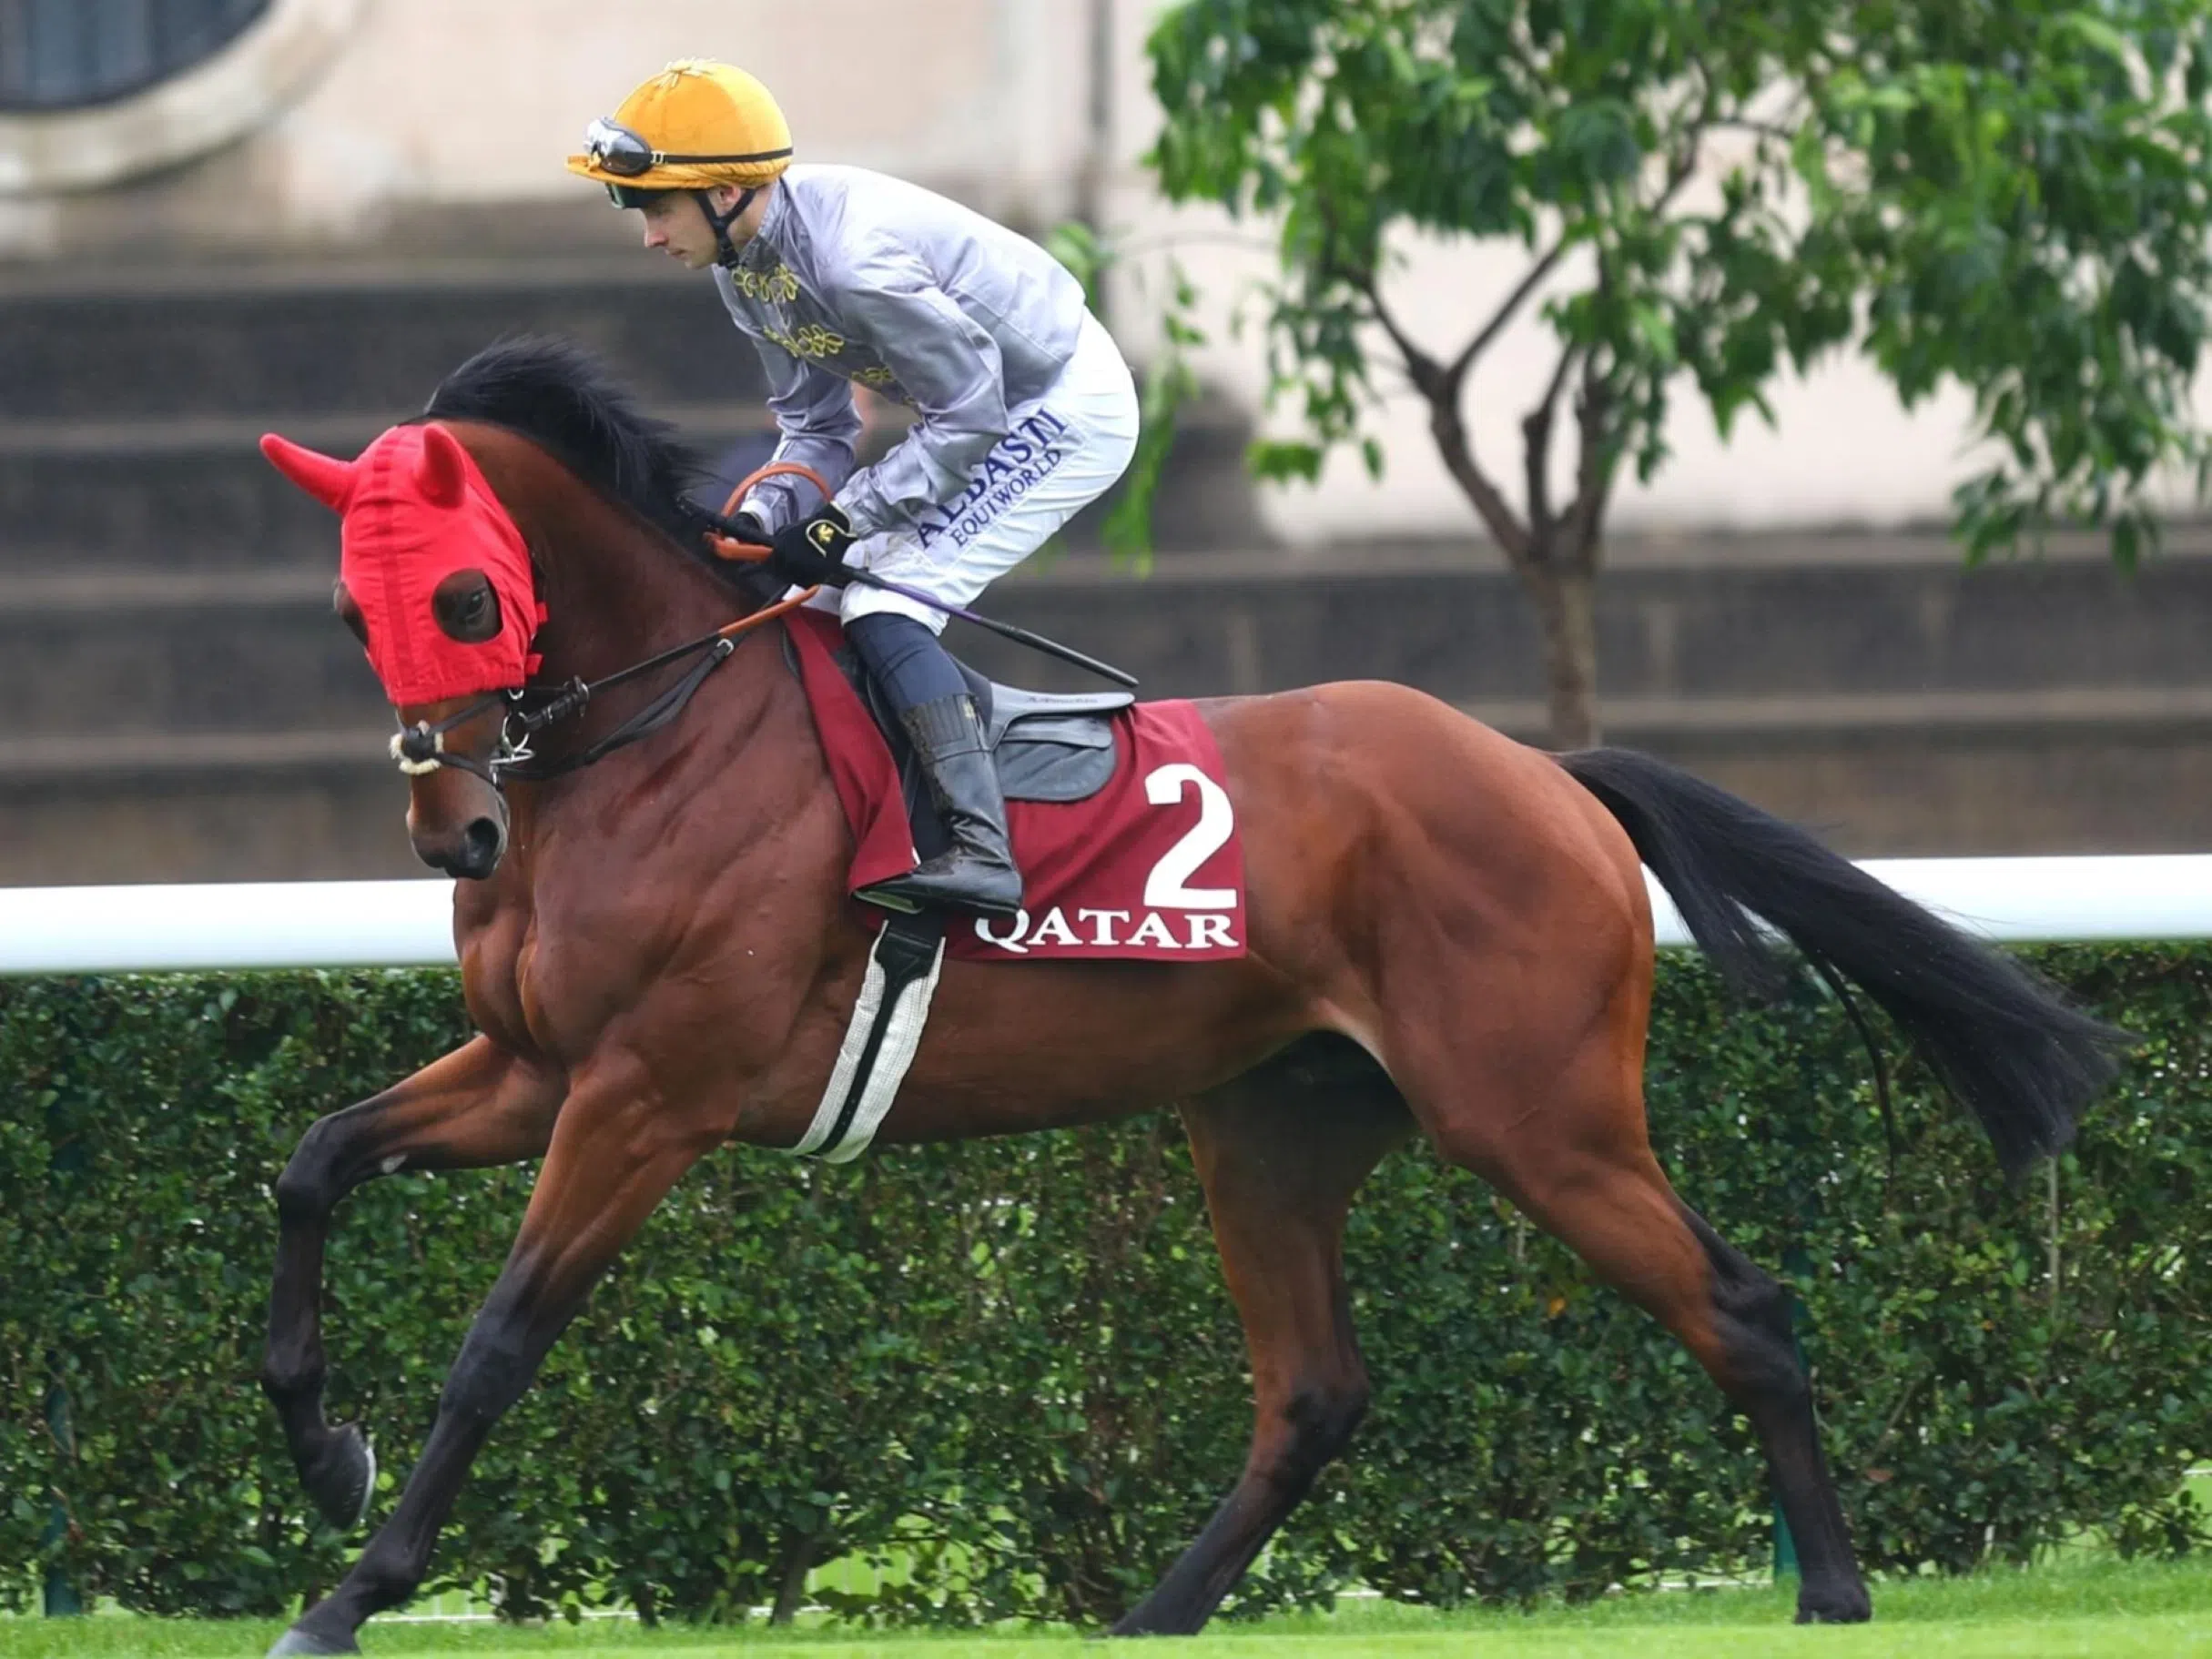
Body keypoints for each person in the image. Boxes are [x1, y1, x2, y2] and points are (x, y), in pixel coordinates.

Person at [567, 59, 1140, 920]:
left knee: (887, 602)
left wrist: (842, 522)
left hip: (1061, 403)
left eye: (654, 207)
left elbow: (971, 415)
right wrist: (763, 518)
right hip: (978, 410)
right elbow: (819, 426)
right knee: (813, 605)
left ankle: (983, 849)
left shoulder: (852, 266)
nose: (648, 235)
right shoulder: (743, 268)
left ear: (723, 192)